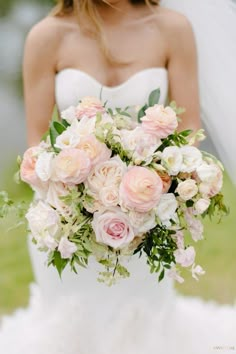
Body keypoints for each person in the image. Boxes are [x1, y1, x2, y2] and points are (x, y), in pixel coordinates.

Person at [0, 1, 235, 354]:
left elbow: (189, 130)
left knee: (141, 328)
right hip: (64, 220)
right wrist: (80, 197)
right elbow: (37, 143)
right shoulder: (47, 36)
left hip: (148, 216)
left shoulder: (172, 28)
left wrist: (156, 187)